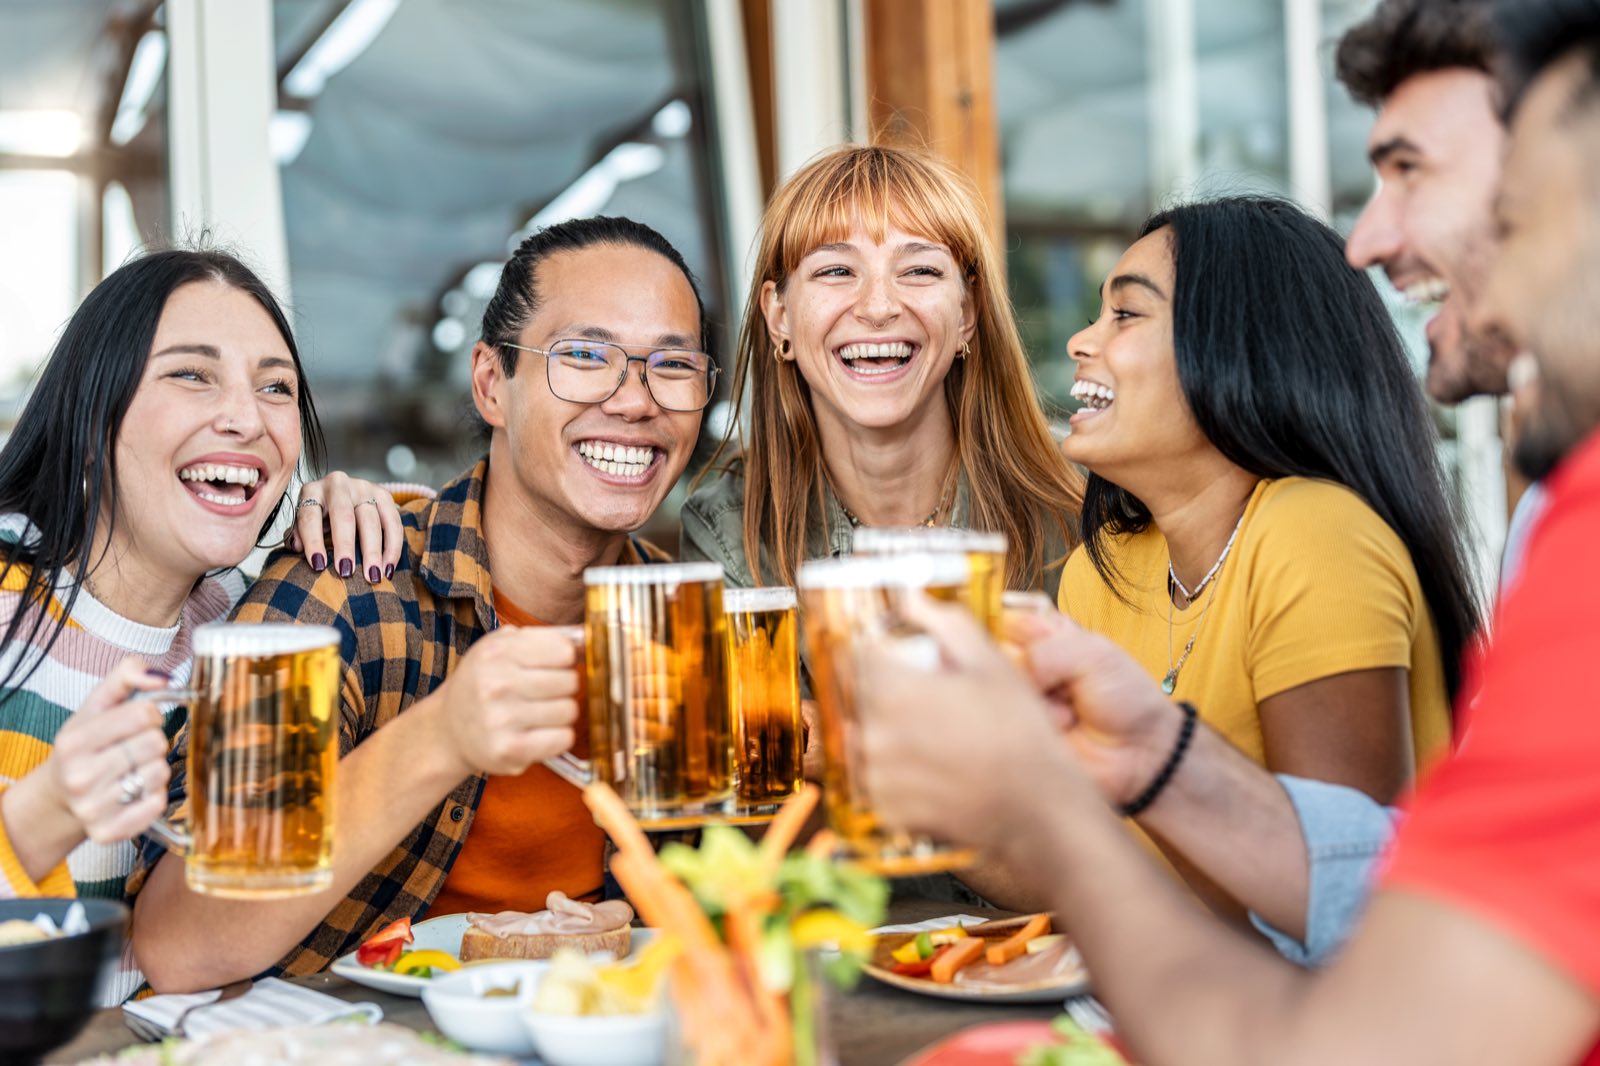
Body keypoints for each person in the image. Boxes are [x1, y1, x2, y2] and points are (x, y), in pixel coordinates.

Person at [857, 3, 1600, 1058]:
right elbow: (1389, 887)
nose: (1367, 239)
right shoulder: (1563, 515)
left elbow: (1360, 1022)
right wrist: (1159, 758)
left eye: (1416, 172)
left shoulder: (1351, 534)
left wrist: (1051, 813)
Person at [130, 216, 712, 992]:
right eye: (584, 356)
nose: (635, 400)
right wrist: (443, 737)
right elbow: (178, 944)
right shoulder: (346, 587)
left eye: (673, 365)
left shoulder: (684, 626)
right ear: (491, 384)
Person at [0, 248, 402, 1003]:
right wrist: (42, 817)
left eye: (275, 387)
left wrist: (365, 519)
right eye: (192, 374)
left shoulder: (253, 624)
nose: (246, 419)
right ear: (92, 410)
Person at [1059, 196, 1480, 916]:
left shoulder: (1315, 535)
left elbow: (1340, 920)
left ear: (1240, 350)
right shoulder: (1100, 575)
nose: (1078, 341)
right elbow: (1084, 872)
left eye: (1125, 314)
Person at [680, 144, 1081, 599]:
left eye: (919, 270)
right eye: (836, 271)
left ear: (967, 311)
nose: (878, 307)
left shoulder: (1076, 501)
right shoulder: (728, 531)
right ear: (779, 317)